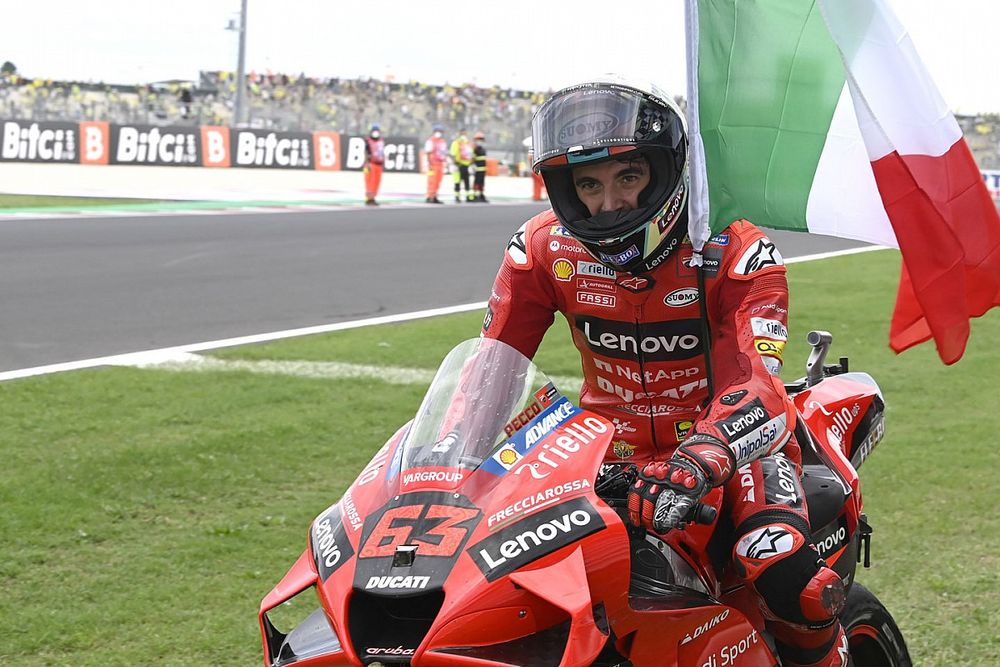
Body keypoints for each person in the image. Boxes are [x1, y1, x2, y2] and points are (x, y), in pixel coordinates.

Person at [481, 78, 849, 667]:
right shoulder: (540, 248)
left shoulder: (735, 249)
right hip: (602, 459)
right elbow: (490, 371)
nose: (610, 203)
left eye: (628, 177)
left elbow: (760, 385)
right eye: (589, 184)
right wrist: (446, 456)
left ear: (665, 170)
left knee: (782, 572)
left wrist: (701, 457)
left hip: (733, 450)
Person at [424, 124, 448, 204]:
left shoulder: (442, 141)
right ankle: (429, 196)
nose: (439, 133)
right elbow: (428, 152)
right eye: (438, 131)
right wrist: (429, 164)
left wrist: (446, 162)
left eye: (440, 131)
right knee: (432, 180)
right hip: (433, 164)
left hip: (440, 164)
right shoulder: (430, 141)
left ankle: (435, 196)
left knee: (438, 180)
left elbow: (444, 153)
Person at [449, 128, 475, 203]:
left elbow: (471, 154)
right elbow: (453, 154)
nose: (463, 135)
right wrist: (455, 163)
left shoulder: (468, 143)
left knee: (467, 181)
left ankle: (468, 196)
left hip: (466, 165)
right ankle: (457, 196)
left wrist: (471, 162)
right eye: (462, 133)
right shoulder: (456, 143)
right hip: (458, 165)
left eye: (465, 133)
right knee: (457, 181)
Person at [363, 123, 385, 206]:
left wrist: (383, 163)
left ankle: (373, 197)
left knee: (377, 182)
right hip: (370, 163)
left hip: (379, 164)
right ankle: (369, 198)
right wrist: (367, 163)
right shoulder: (368, 141)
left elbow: (382, 152)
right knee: (369, 181)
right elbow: (365, 152)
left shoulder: (381, 141)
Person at [471, 131, 489, 202]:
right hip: (477, 169)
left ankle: (481, 194)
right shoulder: (474, 149)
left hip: (483, 169)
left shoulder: (483, 149)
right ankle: (475, 195)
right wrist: (473, 166)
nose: (479, 141)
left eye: (481, 140)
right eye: (478, 140)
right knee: (477, 182)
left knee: (482, 182)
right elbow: (472, 158)